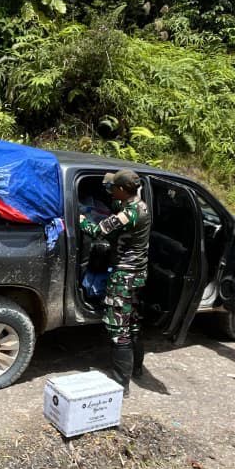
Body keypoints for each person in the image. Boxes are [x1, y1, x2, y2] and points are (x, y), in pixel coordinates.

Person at [78, 169, 151, 394]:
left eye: (113, 188)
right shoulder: (141, 205)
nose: (111, 191)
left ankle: (121, 383)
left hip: (123, 277)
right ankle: (136, 369)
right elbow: (117, 206)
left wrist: (79, 218)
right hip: (138, 275)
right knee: (133, 324)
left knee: (118, 329)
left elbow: (96, 231)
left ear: (122, 189)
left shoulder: (128, 215)